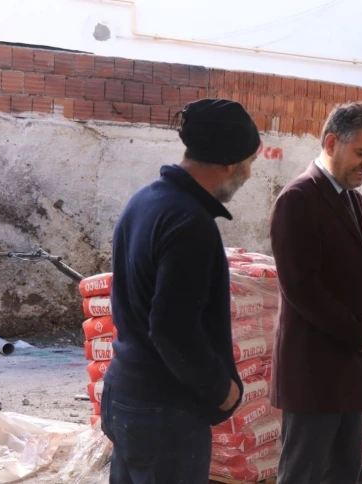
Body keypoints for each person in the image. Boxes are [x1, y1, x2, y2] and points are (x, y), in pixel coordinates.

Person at [101, 98, 261, 484]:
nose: (249, 174)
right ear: (229, 162)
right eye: (249, 163)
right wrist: (220, 389)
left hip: (127, 394)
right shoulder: (190, 223)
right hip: (164, 411)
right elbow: (172, 328)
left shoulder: (145, 201)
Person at [270, 101, 362, 484]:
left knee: (343, 473)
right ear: (330, 142)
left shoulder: (357, 203)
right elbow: (301, 288)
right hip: (314, 372)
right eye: (361, 153)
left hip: (353, 372)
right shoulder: (298, 199)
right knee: (305, 474)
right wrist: (360, 332)